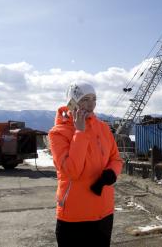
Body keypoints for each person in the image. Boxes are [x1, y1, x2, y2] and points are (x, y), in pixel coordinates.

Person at [48, 81, 123, 247]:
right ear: (72, 103)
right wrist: (80, 132)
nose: (91, 104)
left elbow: (116, 158)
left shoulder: (103, 128)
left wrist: (111, 173)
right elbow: (72, 171)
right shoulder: (58, 133)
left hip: (104, 212)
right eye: (85, 99)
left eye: (94, 99)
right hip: (74, 215)